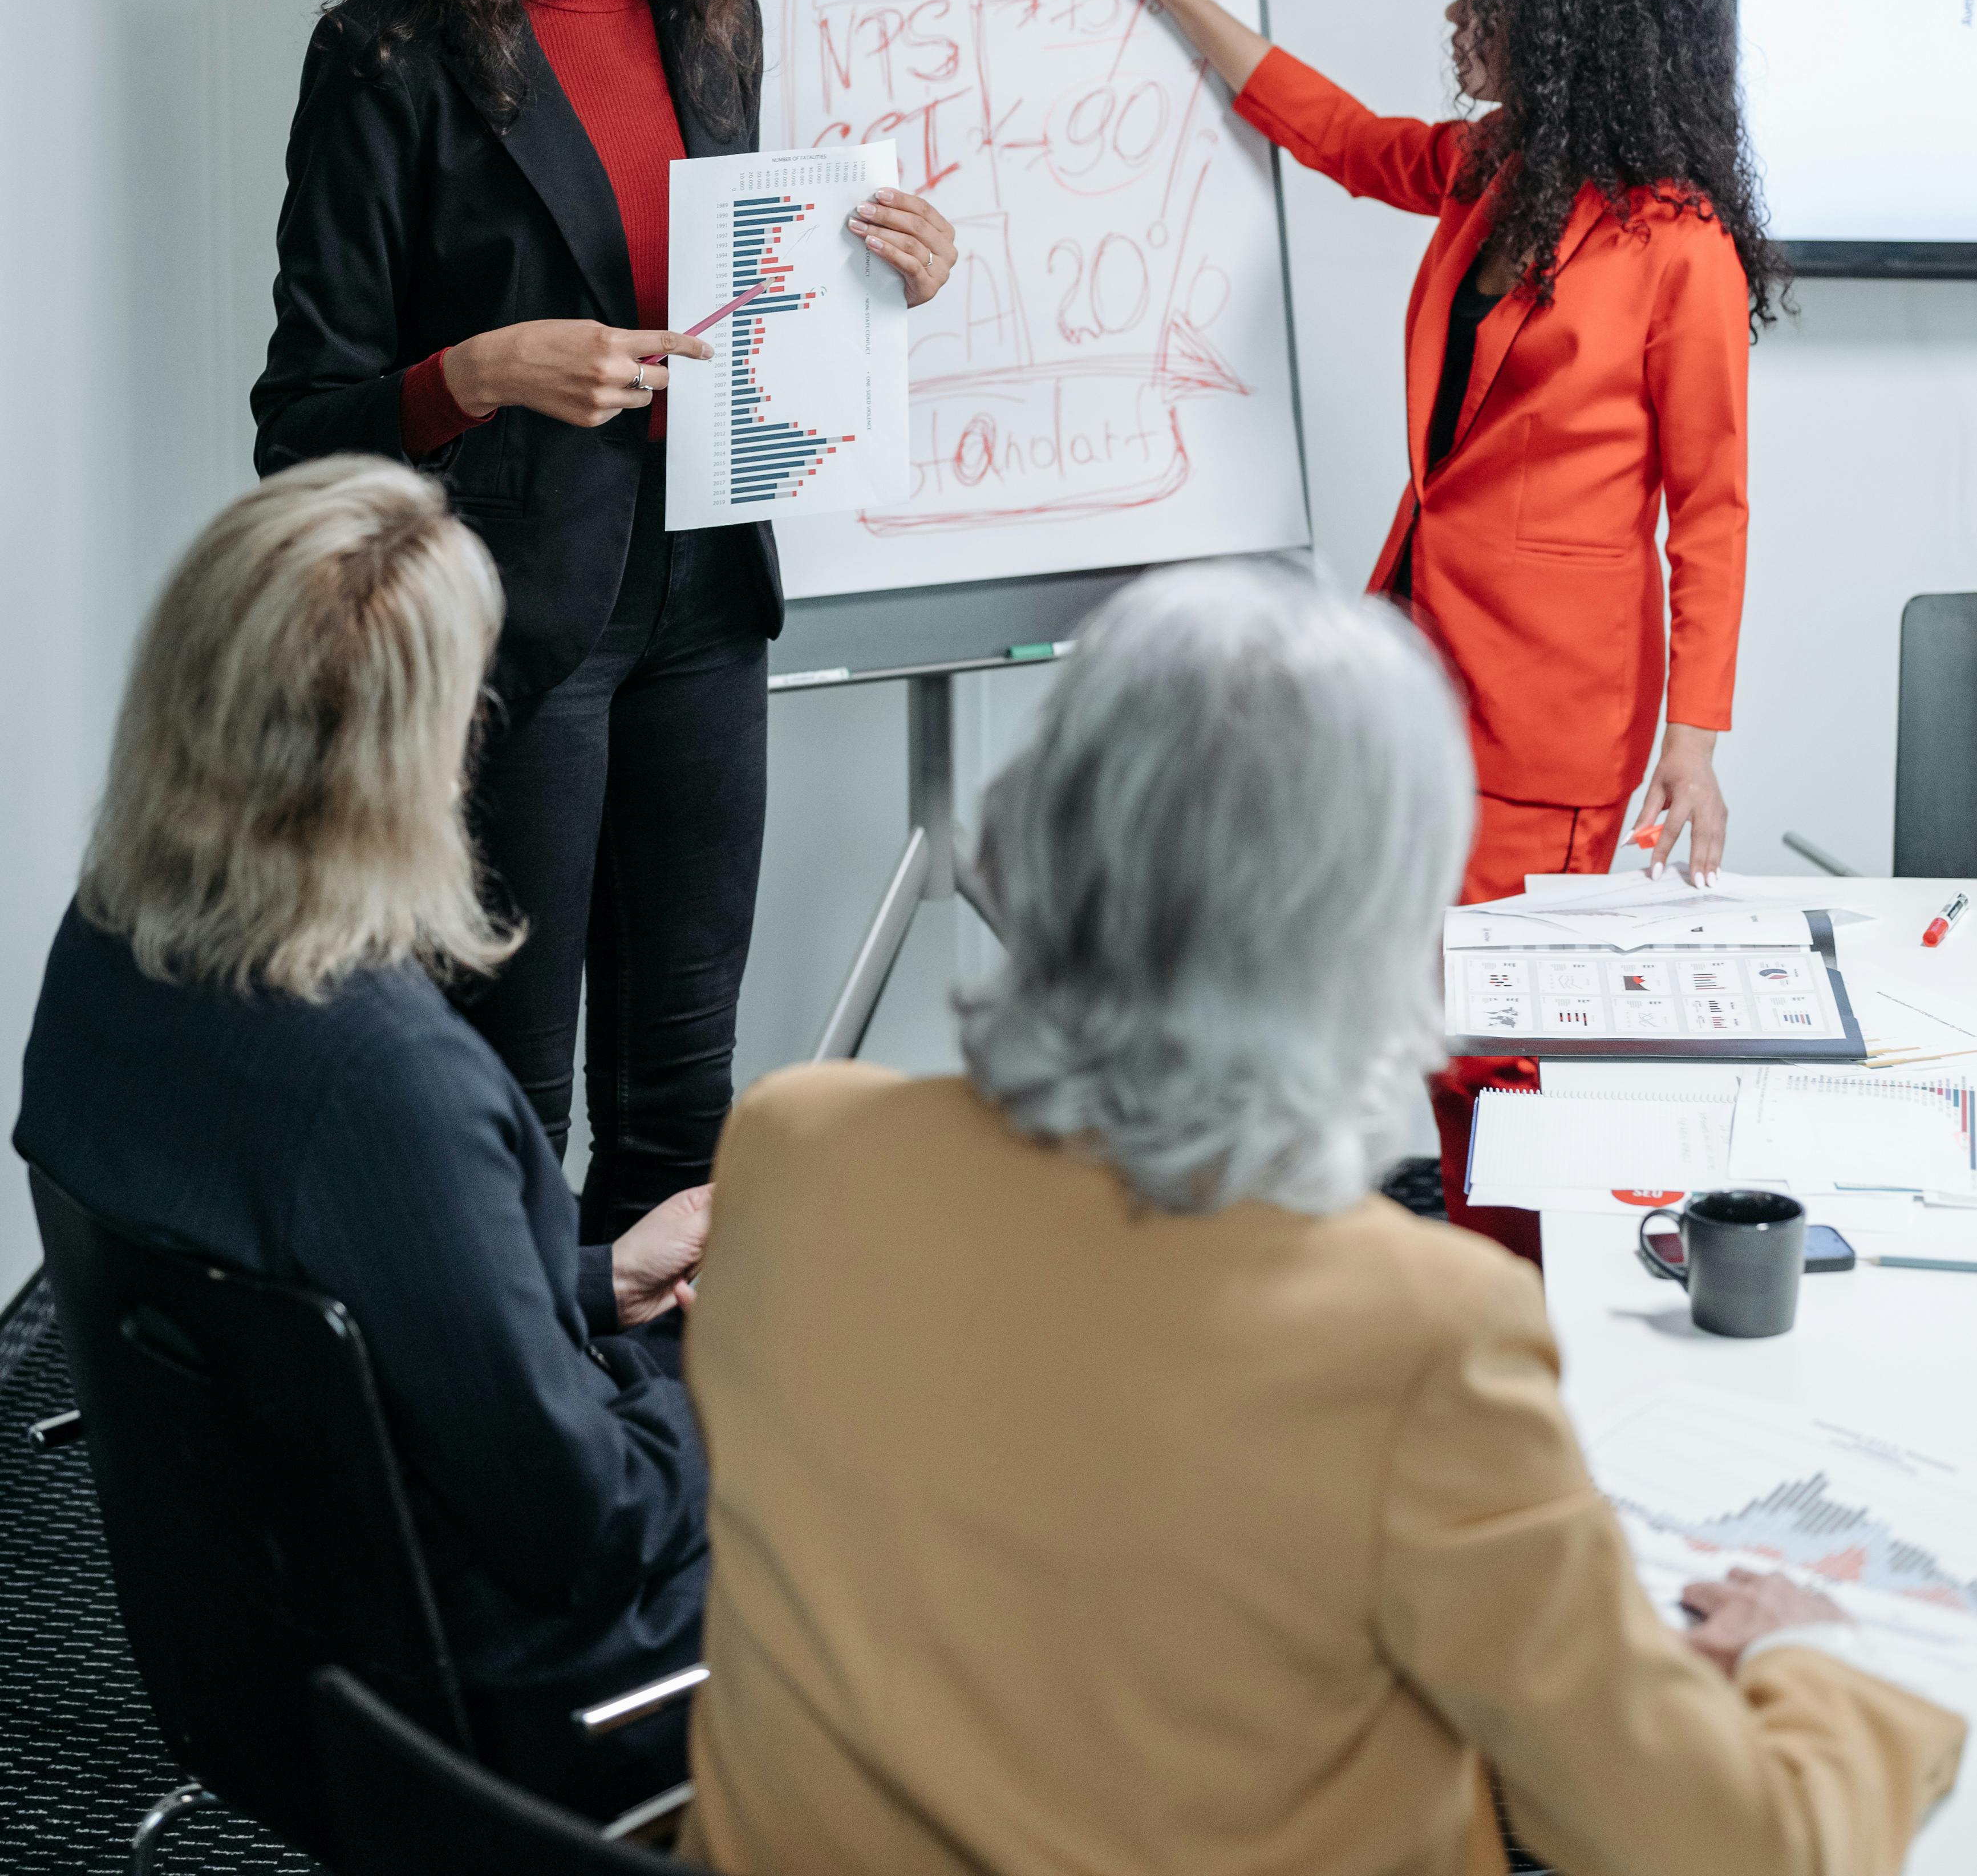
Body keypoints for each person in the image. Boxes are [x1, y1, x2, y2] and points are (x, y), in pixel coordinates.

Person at [679, 565, 1962, 1876]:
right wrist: (1810, 1660)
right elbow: (1735, 1853)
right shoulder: (1415, 1334)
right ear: (1373, 920)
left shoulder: (795, 1150)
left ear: (1036, 821)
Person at [251, 0, 957, 1237]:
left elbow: (724, 304)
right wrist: (478, 372)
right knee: (502, 1106)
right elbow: (301, 429)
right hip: (508, 634)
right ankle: (506, 1463)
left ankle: (648, 1458)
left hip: (708, 607)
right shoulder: (388, 58)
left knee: (683, 1099)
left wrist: (878, 287)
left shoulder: (716, 12)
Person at [14, 458, 724, 1809]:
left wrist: (595, 1278)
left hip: (271, 1625)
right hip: (517, 1692)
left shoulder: (111, 940)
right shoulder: (383, 1079)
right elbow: (588, 1523)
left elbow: (314, 1325)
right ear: (419, 748)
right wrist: (750, 1379)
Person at [1085, 0, 1773, 1253]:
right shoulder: (1494, 171)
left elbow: (1709, 504)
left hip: (1555, 705)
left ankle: (1516, 1319)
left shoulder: (1676, 244)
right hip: (1420, 657)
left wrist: (1694, 741)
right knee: (1444, 1011)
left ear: (1566, 28)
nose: (1462, 16)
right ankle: (1478, 1292)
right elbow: (1338, 134)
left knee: (1506, 1040)